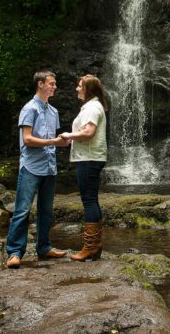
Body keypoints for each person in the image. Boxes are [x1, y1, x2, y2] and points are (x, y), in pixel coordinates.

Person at [6, 71, 70, 269]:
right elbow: (27, 139)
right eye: (51, 83)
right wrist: (54, 142)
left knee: (46, 211)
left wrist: (64, 141)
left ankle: (44, 247)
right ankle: (15, 252)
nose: (54, 87)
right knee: (22, 210)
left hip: (49, 167)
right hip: (31, 167)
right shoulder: (29, 108)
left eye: (55, 84)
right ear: (40, 84)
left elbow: (54, 139)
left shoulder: (54, 112)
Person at [60, 74, 109, 261]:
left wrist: (67, 135)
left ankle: (90, 247)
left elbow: (88, 132)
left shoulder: (92, 107)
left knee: (89, 200)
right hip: (90, 157)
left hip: (89, 158)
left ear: (89, 89)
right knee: (92, 200)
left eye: (80, 86)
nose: (77, 89)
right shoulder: (93, 106)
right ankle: (94, 246)